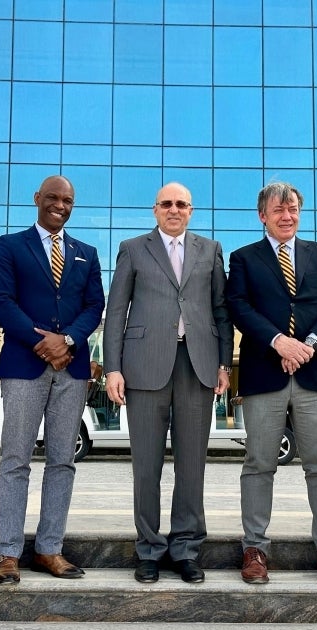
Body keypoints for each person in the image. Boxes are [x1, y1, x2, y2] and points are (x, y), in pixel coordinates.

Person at [103, 182, 233, 584]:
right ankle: (148, 550)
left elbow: (220, 309)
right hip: (143, 367)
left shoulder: (209, 250)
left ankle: (186, 548)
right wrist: (112, 368)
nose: (174, 210)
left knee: (192, 466)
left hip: (198, 365)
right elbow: (116, 310)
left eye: (181, 204)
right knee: (147, 466)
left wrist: (225, 363)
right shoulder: (132, 248)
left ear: (190, 211)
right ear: (155, 210)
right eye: (166, 204)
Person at [225, 182, 317, 586]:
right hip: (265, 372)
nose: (287, 216)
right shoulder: (244, 258)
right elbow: (238, 307)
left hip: (315, 372)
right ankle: (255, 549)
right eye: (278, 209)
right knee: (259, 464)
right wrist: (279, 341)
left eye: (293, 208)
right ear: (262, 215)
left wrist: (309, 344)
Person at [0, 175, 105, 584]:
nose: (59, 204)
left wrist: (68, 339)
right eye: (52, 197)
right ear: (37, 199)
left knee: (62, 462)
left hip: (70, 369)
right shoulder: (9, 246)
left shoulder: (86, 253)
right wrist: (42, 341)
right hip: (24, 365)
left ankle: (49, 549)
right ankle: (7, 553)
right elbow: (0, 300)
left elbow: (95, 305)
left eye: (67, 199)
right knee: (15, 460)